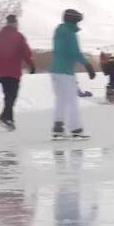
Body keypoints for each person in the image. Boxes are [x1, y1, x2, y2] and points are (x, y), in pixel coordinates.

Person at [49, 9, 96, 140]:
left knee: (61, 100)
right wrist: (87, 65)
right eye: (78, 21)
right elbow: (75, 53)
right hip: (65, 72)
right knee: (72, 101)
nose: (78, 24)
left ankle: (58, 129)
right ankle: (76, 129)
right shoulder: (70, 33)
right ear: (73, 21)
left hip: (55, 71)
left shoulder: (58, 31)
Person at [0, 14, 36, 131]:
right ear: (14, 23)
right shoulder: (18, 36)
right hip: (13, 72)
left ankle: (9, 120)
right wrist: (31, 64)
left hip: (1, 72)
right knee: (11, 96)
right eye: (16, 23)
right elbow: (26, 52)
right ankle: (4, 118)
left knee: (8, 96)